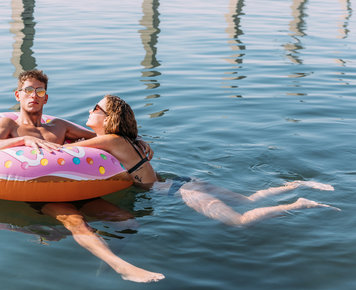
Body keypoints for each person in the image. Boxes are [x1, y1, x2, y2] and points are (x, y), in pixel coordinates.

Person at [0, 70, 161, 283]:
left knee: (127, 221)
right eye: (28, 90)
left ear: (46, 97)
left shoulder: (59, 127)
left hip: (72, 185)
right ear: (18, 95)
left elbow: (107, 135)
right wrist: (22, 141)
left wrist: (136, 142)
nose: (34, 95)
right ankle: (121, 266)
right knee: (77, 222)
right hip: (38, 190)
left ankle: (107, 258)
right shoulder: (9, 125)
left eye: (39, 90)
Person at [69, 95, 339, 228]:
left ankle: (299, 203)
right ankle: (295, 185)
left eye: (96, 109)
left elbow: (67, 148)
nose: (91, 110)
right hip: (183, 182)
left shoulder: (111, 140)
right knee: (249, 199)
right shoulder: (127, 141)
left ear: (108, 118)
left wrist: (30, 139)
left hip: (177, 192)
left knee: (240, 220)